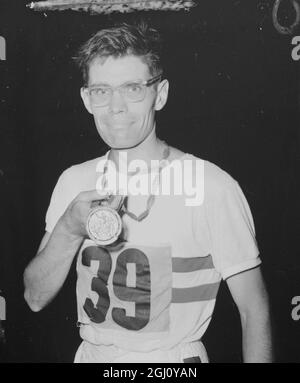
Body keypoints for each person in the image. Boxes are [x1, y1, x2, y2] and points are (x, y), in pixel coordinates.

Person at [23, 22, 273, 363]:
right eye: (101, 91)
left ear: (162, 93)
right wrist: (68, 228)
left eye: (132, 89)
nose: (116, 107)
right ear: (86, 98)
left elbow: (253, 311)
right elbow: (34, 297)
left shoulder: (212, 186)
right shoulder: (73, 181)